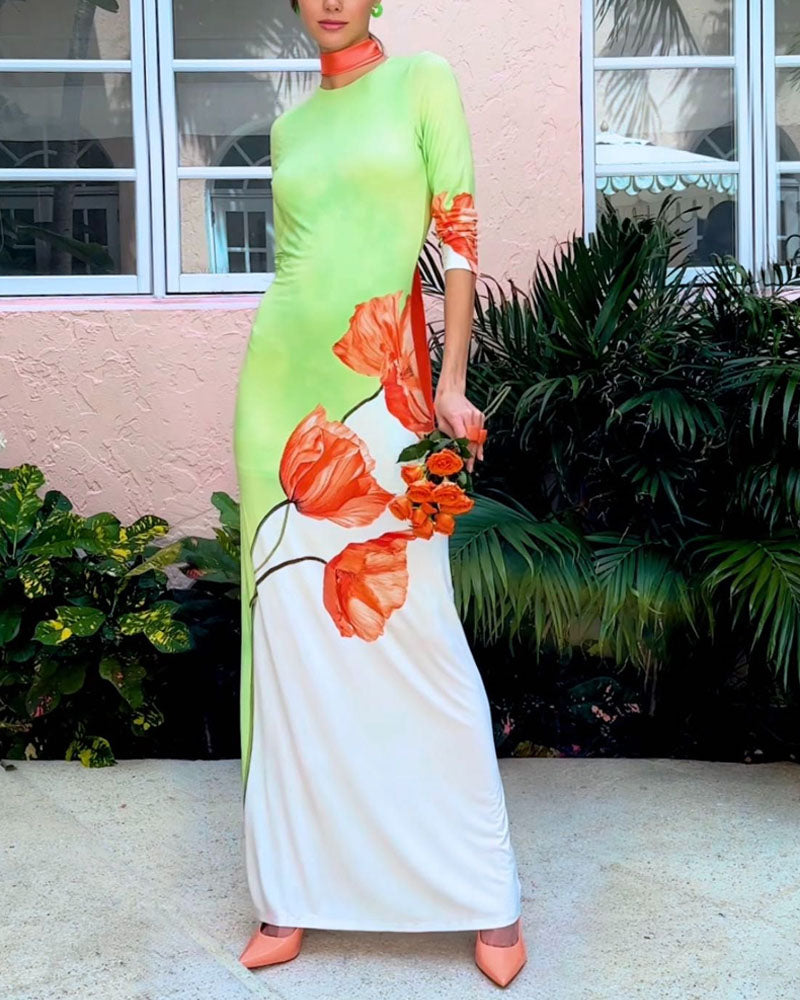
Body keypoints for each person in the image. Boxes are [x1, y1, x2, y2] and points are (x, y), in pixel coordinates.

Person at [233, 0, 526, 987]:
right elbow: (295, 264)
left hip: (387, 391)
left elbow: (457, 236)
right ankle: (290, 888)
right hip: (279, 391)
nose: (328, 0)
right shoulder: (289, 127)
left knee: (416, 629)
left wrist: (451, 380)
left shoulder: (421, 81)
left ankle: (480, 891)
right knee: (289, 638)